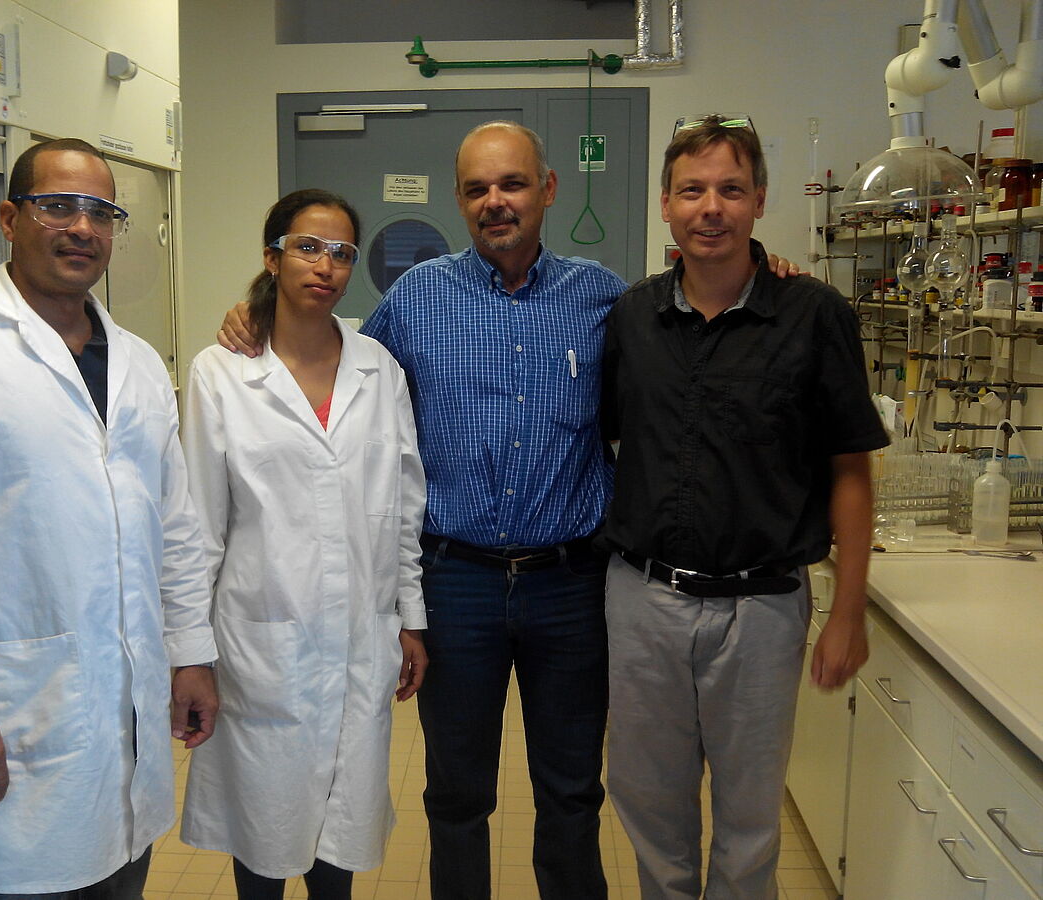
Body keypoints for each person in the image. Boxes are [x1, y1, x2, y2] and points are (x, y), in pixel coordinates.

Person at [218, 121, 798, 900]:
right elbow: (334, 356)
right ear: (460, 201)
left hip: (572, 583)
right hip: (457, 583)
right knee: (458, 794)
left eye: (513, 184)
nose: (496, 202)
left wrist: (769, 274)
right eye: (477, 189)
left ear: (547, 190)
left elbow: (693, 320)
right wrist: (256, 311)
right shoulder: (417, 299)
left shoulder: (603, 299)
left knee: (570, 789)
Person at [0, 138, 218, 900]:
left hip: (124, 727)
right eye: (58, 205)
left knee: (124, 873)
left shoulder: (142, 364)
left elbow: (174, 530)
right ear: (9, 218)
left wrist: (190, 652)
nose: (82, 227)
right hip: (12, 725)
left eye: (100, 211)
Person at [598, 114, 889, 899]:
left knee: (750, 820)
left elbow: (850, 468)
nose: (711, 207)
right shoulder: (631, 318)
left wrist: (849, 611)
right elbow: (606, 438)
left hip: (762, 609)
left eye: (731, 188)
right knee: (650, 805)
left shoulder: (815, 315)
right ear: (665, 204)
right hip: (645, 600)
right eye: (692, 190)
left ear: (760, 200)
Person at [179, 189, 428, 900]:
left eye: (342, 252)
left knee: (341, 833)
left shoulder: (380, 370)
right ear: (273, 256)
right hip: (261, 644)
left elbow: (405, 506)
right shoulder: (221, 372)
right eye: (308, 247)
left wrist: (412, 617)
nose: (326, 265)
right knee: (261, 830)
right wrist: (190, 652)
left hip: (359, 636)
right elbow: (200, 526)